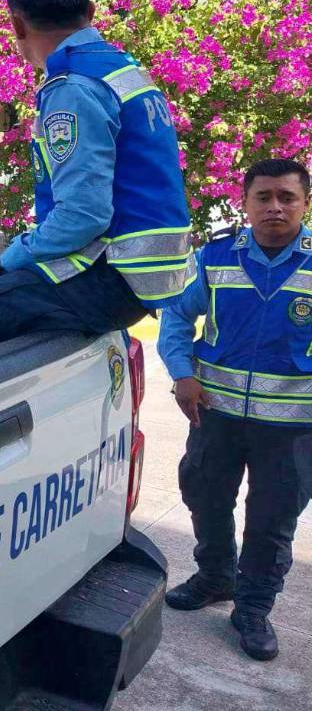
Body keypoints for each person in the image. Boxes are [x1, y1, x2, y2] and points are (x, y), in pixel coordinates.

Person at [0, 0, 194, 368]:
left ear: (17, 24)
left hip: (111, 273)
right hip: (142, 273)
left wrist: (8, 260)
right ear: (91, 12)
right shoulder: (122, 69)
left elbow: (84, 215)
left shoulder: (73, 87)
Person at [158, 158, 312, 662]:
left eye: (286, 197)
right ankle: (215, 576)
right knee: (203, 493)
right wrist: (182, 375)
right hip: (215, 413)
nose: (274, 207)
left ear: (304, 203)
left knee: (271, 519)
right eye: (263, 197)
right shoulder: (216, 257)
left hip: (292, 426)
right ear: (244, 204)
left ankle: (252, 606)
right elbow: (178, 318)